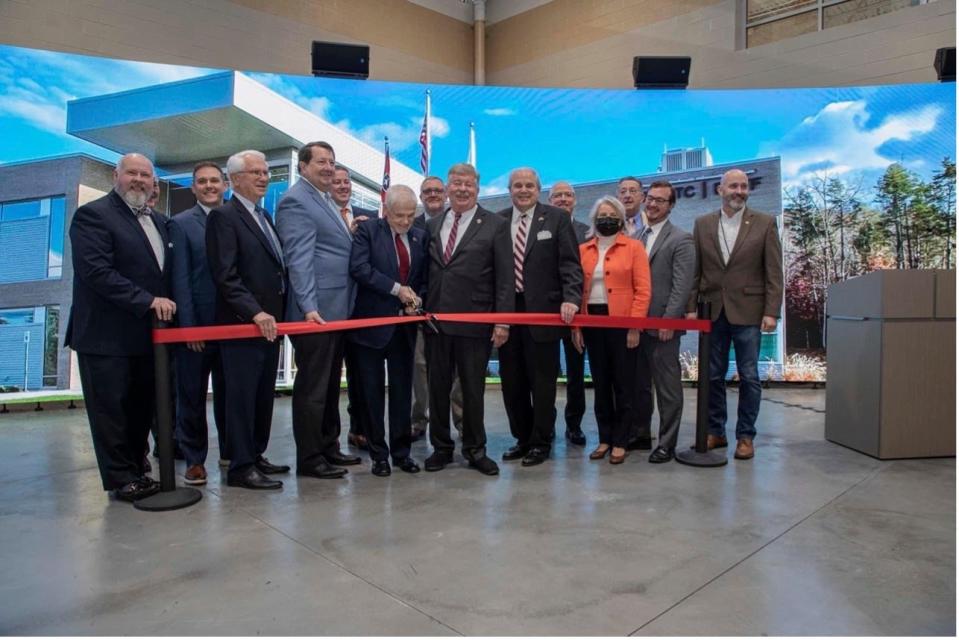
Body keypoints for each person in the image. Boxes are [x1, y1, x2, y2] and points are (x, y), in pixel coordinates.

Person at [66, 152, 175, 502]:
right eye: (132, 173)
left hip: (146, 337)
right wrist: (147, 301)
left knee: (140, 409)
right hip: (105, 336)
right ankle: (121, 479)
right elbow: (96, 272)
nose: (139, 180)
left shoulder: (158, 221)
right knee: (111, 412)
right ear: (116, 175)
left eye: (146, 175)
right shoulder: (93, 216)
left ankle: (138, 470)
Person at [275, 142, 362, 480]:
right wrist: (309, 306)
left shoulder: (324, 200)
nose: (328, 167)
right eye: (322, 162)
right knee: (313, 389)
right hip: (316, 313)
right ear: (303, 166)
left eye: (332, 161)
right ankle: (311, 459)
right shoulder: (297, 201)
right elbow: (299, 260)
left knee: (327, 388)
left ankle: (328, 446)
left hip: (336, 312)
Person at [686, 168, 783, 460]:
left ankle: (745, 436)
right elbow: (696, 271)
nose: (739, 191)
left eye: (744, 186)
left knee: (750, 376)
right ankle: (716, 432)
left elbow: (774, 272)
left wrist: (771, 312)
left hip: (750, 312)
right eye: (733, 186)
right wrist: (691, 307)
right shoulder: (702, 224)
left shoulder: (765, 224)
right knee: (712, 375)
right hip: (713, 311)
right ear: (720, 190)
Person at [423, 163, 514, 476]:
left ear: (478, 188)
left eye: (468, 184)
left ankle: (475, 449)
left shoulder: (495, 224)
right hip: (435, 323)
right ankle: (441, 448)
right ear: (448, 187)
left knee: (472, 391)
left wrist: (502, 321)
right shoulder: (432, 225)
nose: (461, 189)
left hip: (476, 323)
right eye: (456, 183)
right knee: (437, 389)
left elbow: (505, 277)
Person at [207, 150, 290, 490]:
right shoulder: (224, 217)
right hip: (244, 325)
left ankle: (256, 454)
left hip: (270, 328)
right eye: (255, 172)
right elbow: (225, 276)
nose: (263, 177)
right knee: (240, 398)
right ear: (235, 179)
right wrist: (255, 311)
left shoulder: (264, 216)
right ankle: (240, 465)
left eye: (266, 171)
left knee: (260, 396)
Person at [497, 168, 582, 467]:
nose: (523, 190)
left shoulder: (556, 219)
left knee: (543, 382)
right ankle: (521, 438)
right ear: (509, 189)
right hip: (507, 312)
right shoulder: (499, 221)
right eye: (517, 185)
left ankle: (540, 441)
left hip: (544, 313)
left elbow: (571, 264)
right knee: (512, 381)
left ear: (538, 189)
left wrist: (571, 298)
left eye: (529, 185)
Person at [348, 185, 429, 476]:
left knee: (401, 393)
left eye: (411, 215)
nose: (406, 222)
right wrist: (398, 291)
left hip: (404, 329)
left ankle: (402, 453)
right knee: (370, 394)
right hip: (370, 328)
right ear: (386, 211)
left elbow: (423, 278)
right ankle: (378, 454)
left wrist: (416, 300)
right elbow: (360, 269)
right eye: (399, 216)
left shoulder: (420, 235)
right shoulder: (369, 232)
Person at [570, 196, 650, 465]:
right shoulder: (584, 250)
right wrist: (578, 325)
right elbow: (577, 291)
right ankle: (604, 438)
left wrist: (634, 326)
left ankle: (620, 440)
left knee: (623, 384)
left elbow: (643, 290)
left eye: (612, 214)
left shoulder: (634, 247)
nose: (607, 219)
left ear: (620, 219)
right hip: (592, 322)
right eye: (602, 214)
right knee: (601, 383)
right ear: (594, 219)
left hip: (622, 322)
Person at [168, 161, 229, 485]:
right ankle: (194, 459)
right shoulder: (181, 224)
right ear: (193, 188)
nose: (209, 186)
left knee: (230, 394)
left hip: (233, 326)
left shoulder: (236, 219)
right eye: (202, 182)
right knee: (191, 396)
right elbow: (180, 279)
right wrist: (189, 326)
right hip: (197, 327)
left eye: (215, 181)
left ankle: (230, 452)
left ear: (225, 184)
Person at [634, 180, 695, 464]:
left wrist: (669, 321)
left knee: (668, 389)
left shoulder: (681, 239)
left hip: (663, 327)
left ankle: (666, 444)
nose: (653, 204)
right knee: (640, 386)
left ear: (670, 206)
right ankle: (641, 434)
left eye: (660, 200)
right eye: (650, 198)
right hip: (636, 326)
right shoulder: (636, 237)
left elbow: (681, 287)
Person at [411, 176, 465, 441]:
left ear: (445, 194)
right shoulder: (412, 226)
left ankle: (462, 420)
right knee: (420, 366)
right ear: (421, 197)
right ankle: (419, 420)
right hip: (422, 308)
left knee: (458, 369)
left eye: (437, 190)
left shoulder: (457, 221)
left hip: (456, 310)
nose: (432, 194)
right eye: (426, 191)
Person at [330, 165, 376, 451]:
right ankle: (329, 437)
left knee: (361, 375)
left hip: (362, 308)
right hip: (332, 306)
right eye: (337, 182)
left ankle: (360, 428)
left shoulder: (368, 217)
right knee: (330, 377)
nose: (343, 186)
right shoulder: (321, 214)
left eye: (347, 181)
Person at [548, 180, 589, 446]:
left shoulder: (588, 232)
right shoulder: (543, 227)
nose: (563, 199)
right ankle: (546, 423)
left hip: (577, 312)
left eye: (568, 195)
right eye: (557, 195)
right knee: (547, 372)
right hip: (547, 313)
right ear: (550, 200)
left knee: (576, 372)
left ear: (575, 199)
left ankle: (574, 425)